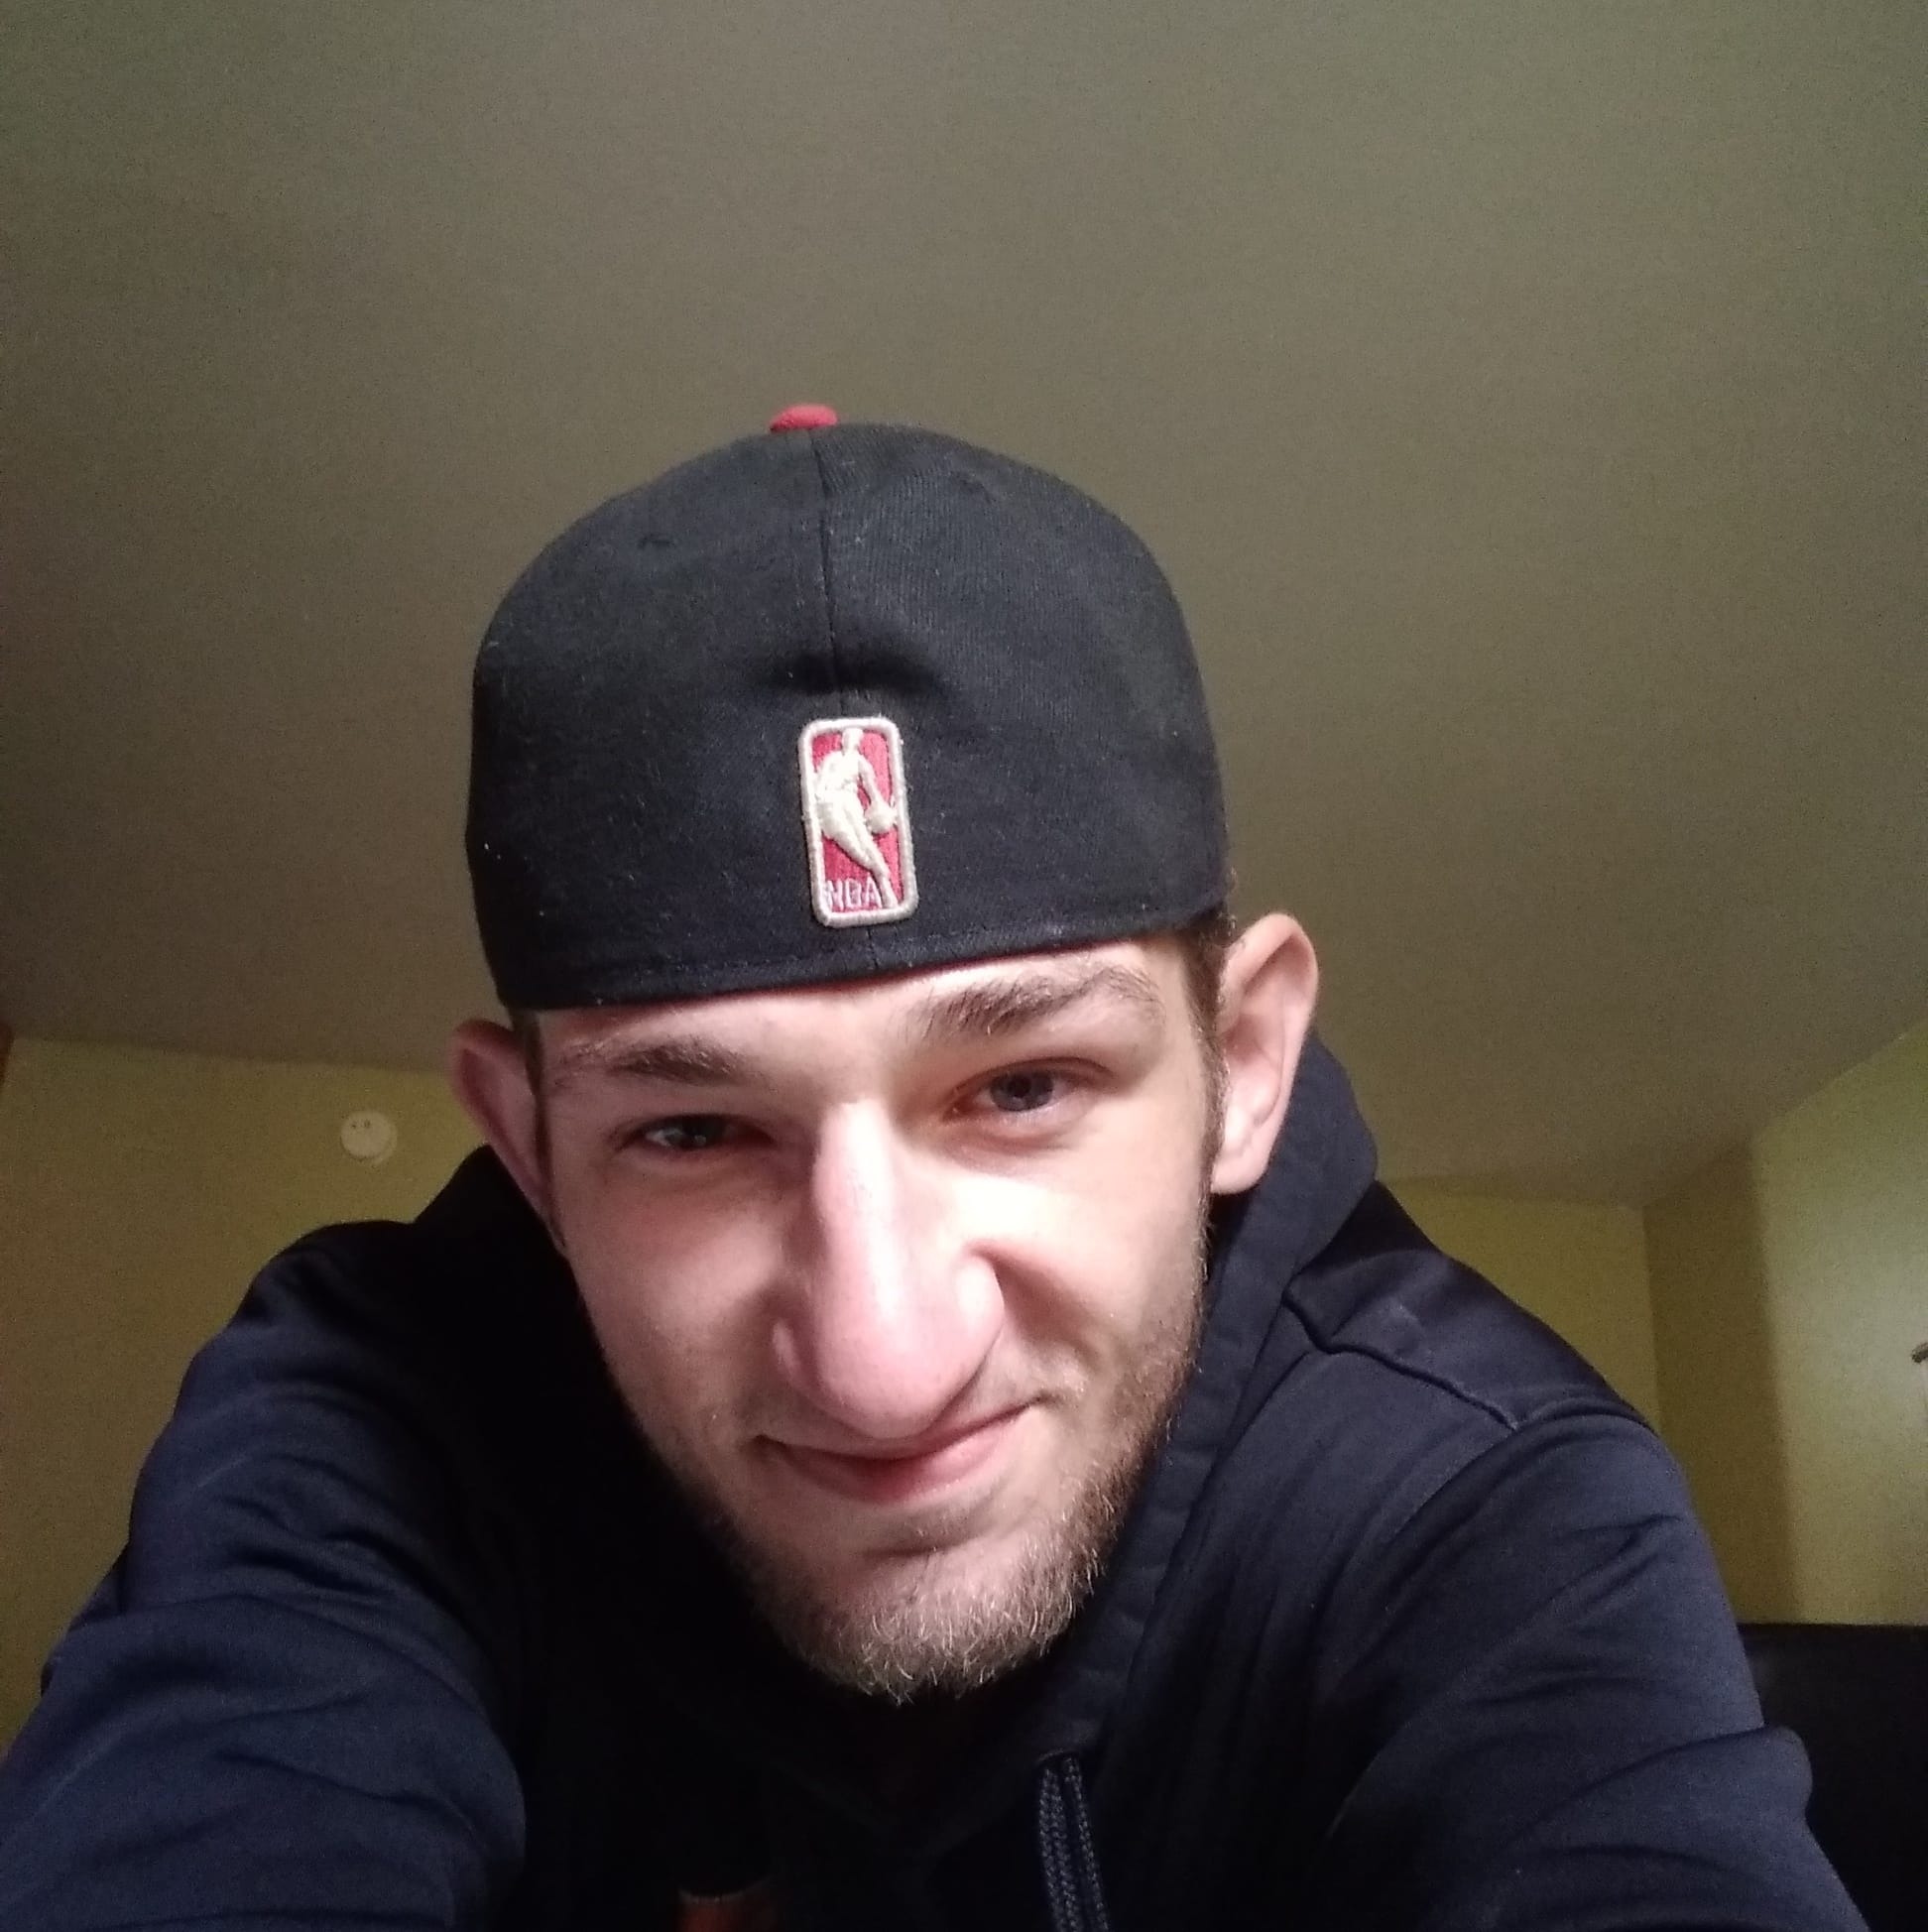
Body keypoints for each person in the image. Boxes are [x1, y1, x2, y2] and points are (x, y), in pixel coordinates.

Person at [0, 411, 1863, 1930]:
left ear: (1246, 1067)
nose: (885, 1364)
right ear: (531, 1151)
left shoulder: (1481, 1500)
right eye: (693, 1130)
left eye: (1024, 1086)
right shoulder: (375, 1417)